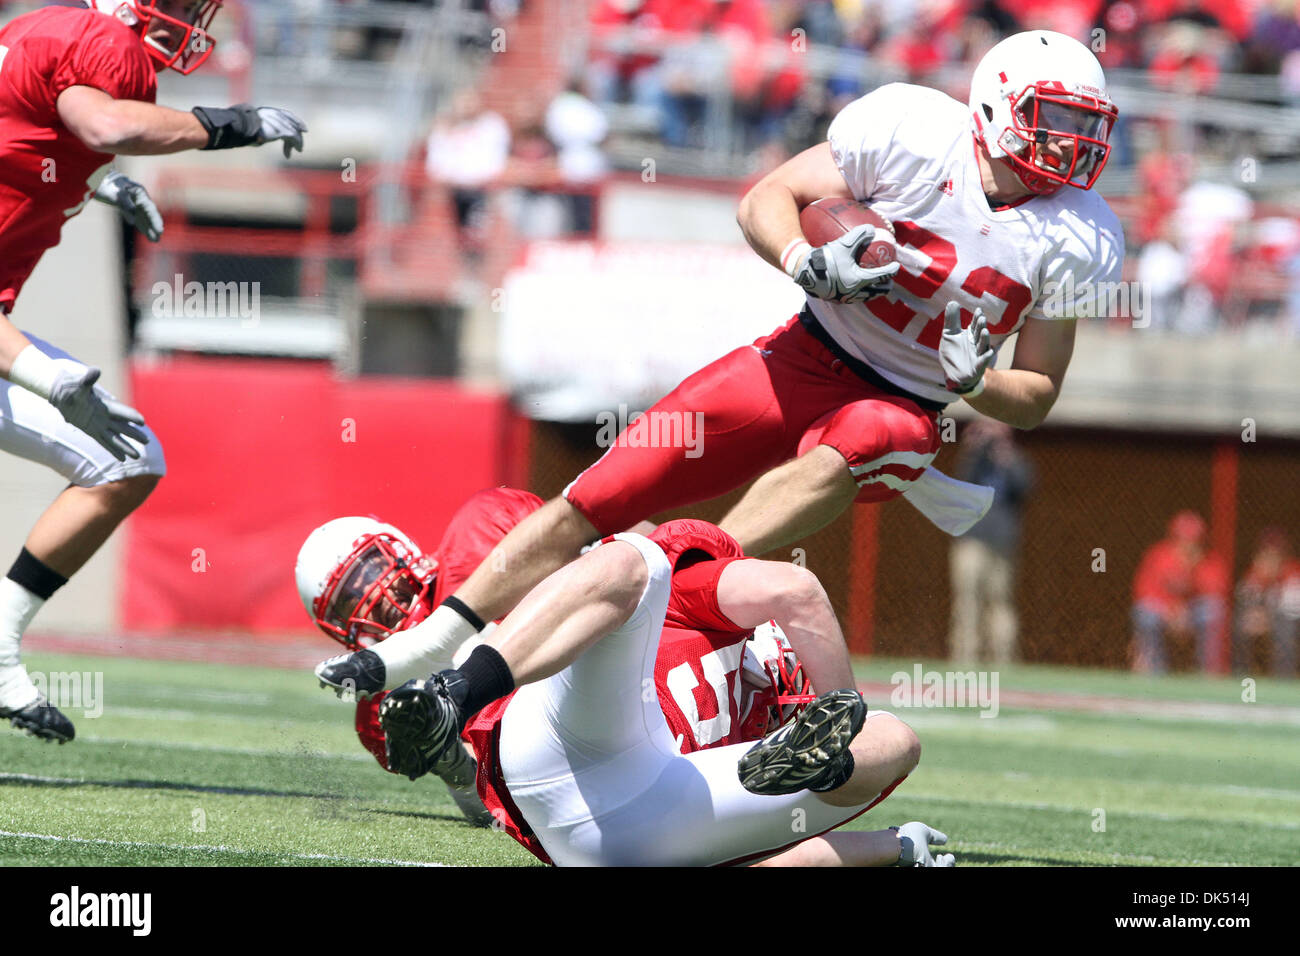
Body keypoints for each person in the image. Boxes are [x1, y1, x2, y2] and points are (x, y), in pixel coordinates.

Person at [317, 31, 1123, 712]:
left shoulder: (1081, 235)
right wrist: (807, 260)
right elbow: (765, 198)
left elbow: (1038, 395)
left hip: (907, 404)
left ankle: (664, 582)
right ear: (993, 102)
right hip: (809, 351)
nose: (1073, 143)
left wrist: (976, 382)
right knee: (606, 489)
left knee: (876, 431)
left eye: (1086, 126)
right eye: (1055, 118)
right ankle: (430, 643)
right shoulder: (911, 131)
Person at [0, 0, 307, 741]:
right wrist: (228, 124)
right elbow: (103, 124)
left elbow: (36, 135)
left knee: (126, 457)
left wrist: (90, 182)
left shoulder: (37, 33)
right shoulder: (98, 41)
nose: (185, 17)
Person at [377, 516, 952, 866]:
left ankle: (455, 694)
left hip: (630, 815)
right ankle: (457, 692)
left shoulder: (766, 765)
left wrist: (894, 846)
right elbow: (794, 589)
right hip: (612, 807)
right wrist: (891, 843)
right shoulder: (711, 610)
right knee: (641, 556)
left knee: (895, 737)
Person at [948, 419, 1033, 664]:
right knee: (967, 602)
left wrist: (1006, 457)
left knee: (1001, 602)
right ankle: (965, 660)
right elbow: (962, 482)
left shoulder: (1016, 460)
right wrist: (974, 448)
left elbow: (1026, 487)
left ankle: (1003, 660)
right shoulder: (974, 457)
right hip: (971, 540)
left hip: (1002, 543)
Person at [1131, 511, 1230, 674]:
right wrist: (1170, 611)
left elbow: (1217, 595)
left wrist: (1191, 570)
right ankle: (1154, 672)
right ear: (1173, 538)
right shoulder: (1158, 556)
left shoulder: (1210, 561)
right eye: (1183, 540)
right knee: (1145, 614)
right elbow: (1143, 593)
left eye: (1194, 541)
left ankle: (1208, 672)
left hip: (1193, 613)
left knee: (1215, 611)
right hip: (1164, 612)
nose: (1188, 545)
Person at [1233, 527, 1300, 677]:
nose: (1270, 557)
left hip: (1289, 621)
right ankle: (1241, 675)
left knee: (1285, 628)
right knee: (1240, 623)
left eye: (1275, 554)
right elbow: (1245, 602)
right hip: (1266, 620)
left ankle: (1283, 678)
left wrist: (1267, 617)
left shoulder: (1293, 572)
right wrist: (1254, 616)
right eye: (1266, 553)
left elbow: (1292, 611)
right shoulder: (1255, 574)